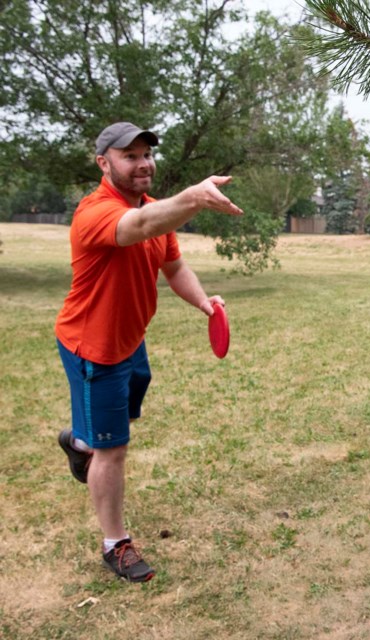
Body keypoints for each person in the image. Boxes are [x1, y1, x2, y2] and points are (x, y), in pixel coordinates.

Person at [55, 122, 243, 582]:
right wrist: (194, 197)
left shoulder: (156, 210)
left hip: (130, 340)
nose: (143, 163)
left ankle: (80, 442)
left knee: (121, 413)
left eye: (146, 155)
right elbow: (137, 227)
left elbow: (173, 265)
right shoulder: (96, 212)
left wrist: (203, 302)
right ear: (104, 163)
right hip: (93, 348)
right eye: (129, 156)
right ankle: (114, 543)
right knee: (113, 448)